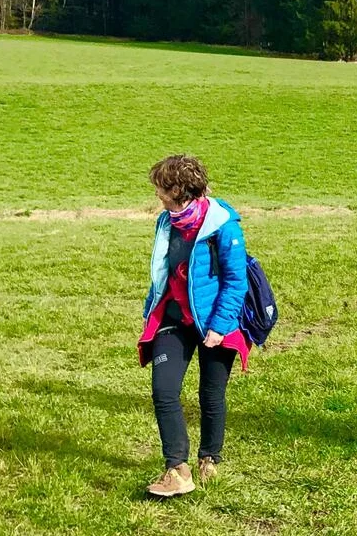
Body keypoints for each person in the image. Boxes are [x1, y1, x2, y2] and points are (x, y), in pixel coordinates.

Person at [139, 154, 252, 497]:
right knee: (164, 390)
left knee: (211, 394)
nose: (157, 194)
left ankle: (209, 457)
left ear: (179, 191)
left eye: (161, 189)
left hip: (216, 322)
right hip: (174, 319)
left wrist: (219, 326)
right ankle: (177, 468)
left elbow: (236, 281)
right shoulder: (166, 222)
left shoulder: (224, 227)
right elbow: (162, 271)